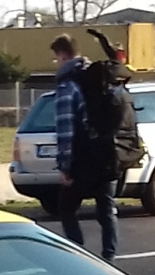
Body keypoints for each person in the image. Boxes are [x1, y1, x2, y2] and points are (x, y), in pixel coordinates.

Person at [50, 37, 120, 260]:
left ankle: (78, 253)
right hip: (108, 153)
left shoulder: (67, 86)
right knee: (106, 210)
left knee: (67, 209)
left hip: (83, 158)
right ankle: (109, 256)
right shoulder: (99, 79)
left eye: (56, 57)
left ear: (62, 54)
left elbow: (66, 129)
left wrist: (65, 167)